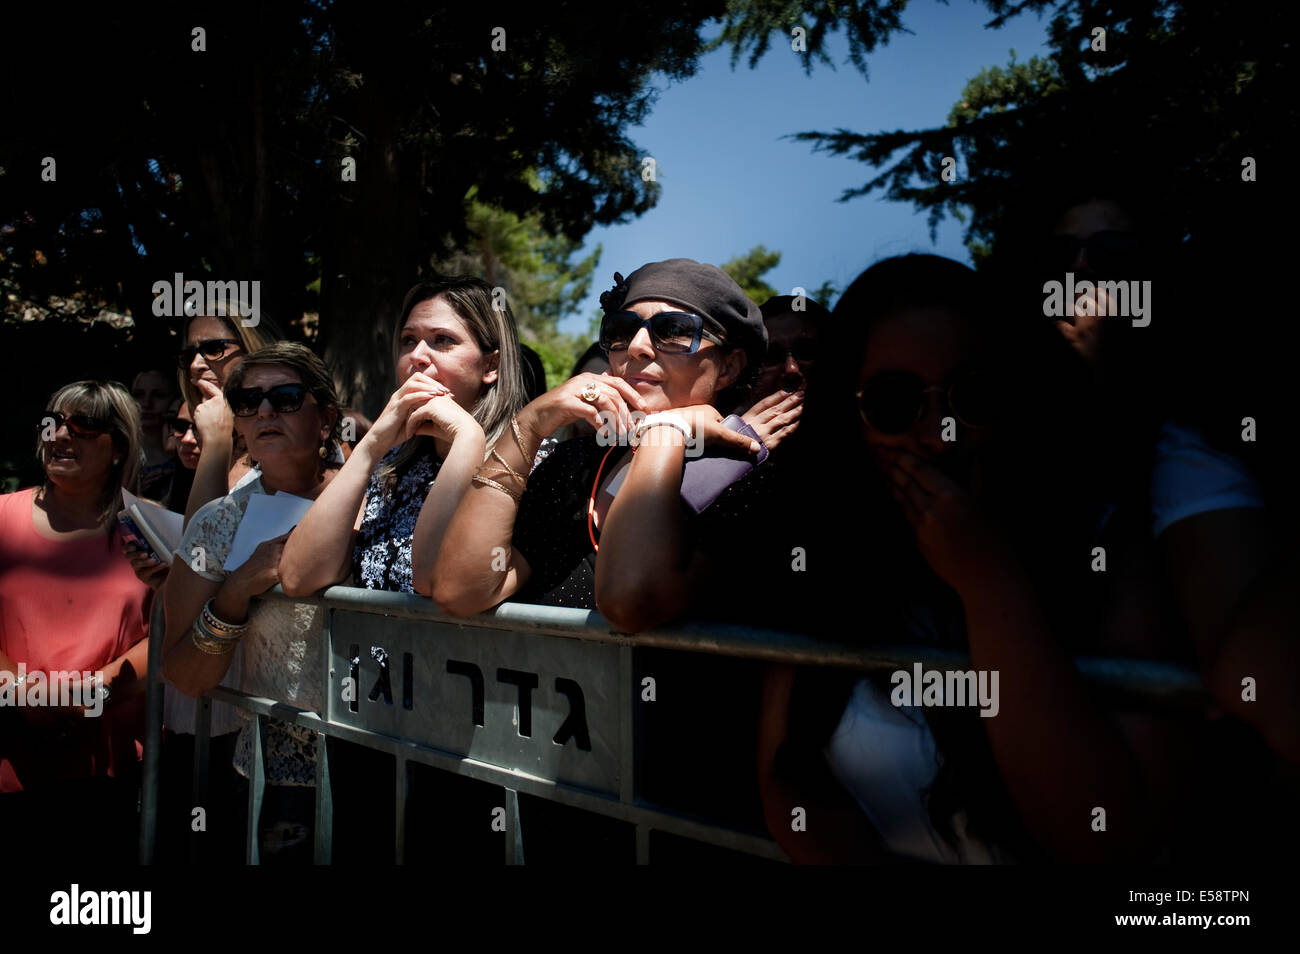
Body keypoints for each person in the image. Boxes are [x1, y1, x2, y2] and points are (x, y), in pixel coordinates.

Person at [758, 254, 1199, 864]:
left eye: (973, 395)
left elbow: (1108, 838)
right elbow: (789, 787)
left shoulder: (1107, 551)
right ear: (849, 420)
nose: (941, 435)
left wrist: (989, 584)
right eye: (894, 402)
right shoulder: (825, 557)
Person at [432, 258, 769, 628]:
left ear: (729, 368)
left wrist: (665, 431)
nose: (637, 347)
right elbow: (458, 591)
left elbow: (629, 602)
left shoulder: (748, 476)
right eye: (623, 330)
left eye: (672, 330)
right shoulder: (576, 465)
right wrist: (528, 426)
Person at [162, 343, 341, 862]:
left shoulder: (376, 500)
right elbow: (186, 675)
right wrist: (236, 591)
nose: (264, 412)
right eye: (247, 401)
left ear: (325, 418)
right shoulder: (217, 523)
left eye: (285, 398)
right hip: (281, 775)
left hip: (391, 758)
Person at [278, 274, 528, 598]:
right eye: (409, 340)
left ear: (491, 365)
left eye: (442, 340)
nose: (417, 356)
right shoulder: (391, 467)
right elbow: (299, 577)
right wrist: (370, 447)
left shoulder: (530, 464)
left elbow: (435, 583)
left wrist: (467, 438)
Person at [0, 380, 151, 860]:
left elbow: (172, 632)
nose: (61, 435)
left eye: (85, 426)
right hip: (9, 755)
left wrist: (96, 693)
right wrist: (22, 696)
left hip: (111, 770)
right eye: (53, 423)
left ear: (117, 448)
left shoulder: (151, 528)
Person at [176, 303, 282, 524]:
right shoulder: (205, 442)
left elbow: (202, 549)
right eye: (189, 355)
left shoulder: (301, 434)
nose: (196, 365)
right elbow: (193, 553)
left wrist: (217, 440)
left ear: (254, 348)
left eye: (214, 349)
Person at [131, 368, 179, 501]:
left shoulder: (188, 450)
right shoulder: (119, 455)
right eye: (138, 395)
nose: (147, 403)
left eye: (159, 395)